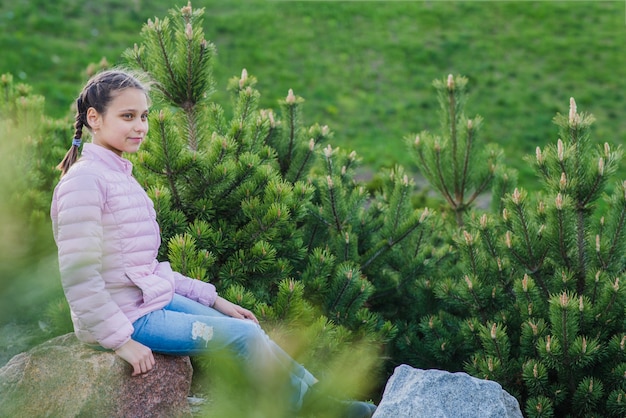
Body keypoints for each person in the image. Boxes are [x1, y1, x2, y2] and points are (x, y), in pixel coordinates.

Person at [50, 69, 376, 417]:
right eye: (127, 116)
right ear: (94, 119)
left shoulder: (119, 176)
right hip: (126, 317)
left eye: (143, 116)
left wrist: (214, 299)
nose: (140, 126)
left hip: (148, 301)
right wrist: (120, 341)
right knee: (244, 339)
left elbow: (143, 269)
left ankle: (320, 399)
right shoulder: (83, 182)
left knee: (246, 327)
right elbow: (78, 273)